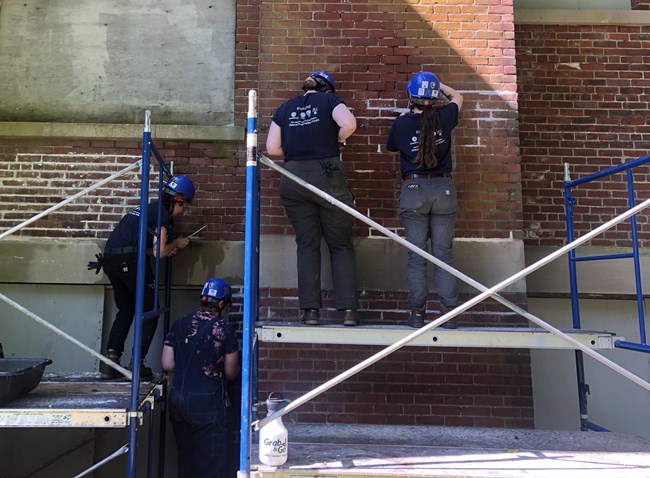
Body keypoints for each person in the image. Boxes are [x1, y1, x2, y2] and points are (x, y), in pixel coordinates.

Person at [266, 71, 360, 327]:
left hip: (293, 176)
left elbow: (272, 149)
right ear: (327, 89)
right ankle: (349, 311)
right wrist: (335, 139)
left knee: (306, 245)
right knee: (340, 244)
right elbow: (349, 125)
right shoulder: (331, 102)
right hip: (326, 174)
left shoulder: (285, 109)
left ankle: (310, 313)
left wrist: (299, 150)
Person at [386, 72, 464, 329]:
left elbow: (392, 147)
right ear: (433, 97)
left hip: (414, 189)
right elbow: (457, 96)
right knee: (443, 255)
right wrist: (437, 85)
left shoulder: (402, 124)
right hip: (444, 189)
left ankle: (417, 315)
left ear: (411, 96)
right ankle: (449, 314)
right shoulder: (446, 116)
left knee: (417, 256)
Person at [98, 175, 195, 380]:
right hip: (130, 262)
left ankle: (110, 363)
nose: (184, 210)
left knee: (126, 310)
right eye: (184, 205)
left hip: (111, 260)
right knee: (151, 309)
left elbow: (148, 249)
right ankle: (136, 365)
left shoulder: (148, 209)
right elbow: (160, 252)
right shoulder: (162, 214)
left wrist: (167, 248)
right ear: (178, 199)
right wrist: (176, 243)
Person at [162, 277, 240, 478]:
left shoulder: (179, 323)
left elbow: (167, 364)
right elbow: (231, 373)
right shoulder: (224, 329)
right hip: (207, 404)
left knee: (186, 459)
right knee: (210, 465)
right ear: (222, 304)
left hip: (178, 399)